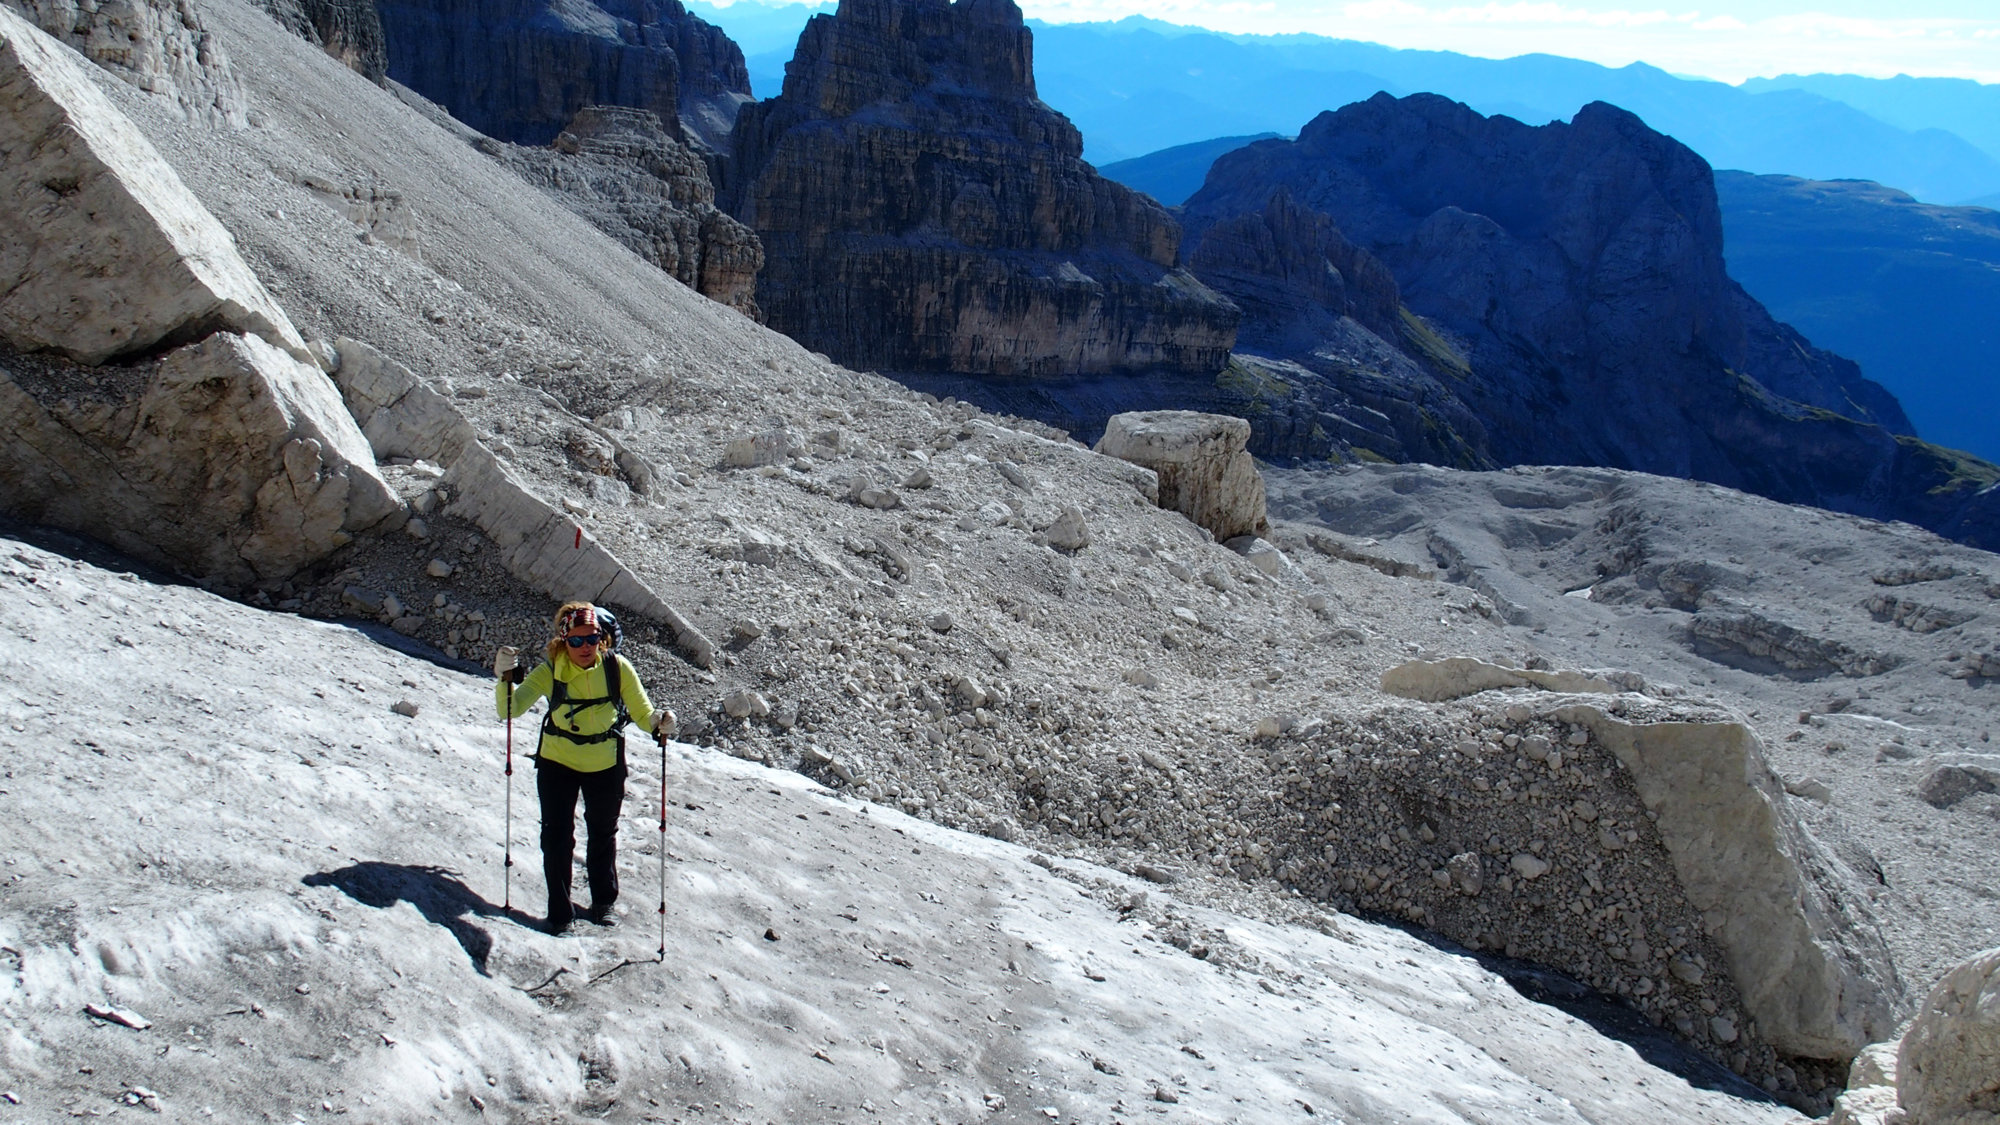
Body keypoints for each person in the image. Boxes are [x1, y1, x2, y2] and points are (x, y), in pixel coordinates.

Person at [495, 602, 675, 934]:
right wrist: (504, 679)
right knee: (557, 838)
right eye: (576, 641)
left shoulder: (617, 668)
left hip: (604, 764)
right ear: (563, 640)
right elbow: (511, 710)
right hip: (557, 763)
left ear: (601, 639)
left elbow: (642, 713)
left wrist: (659, 723)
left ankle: (603, 902)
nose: (585, 648)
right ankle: (560, 915)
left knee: (603, 835)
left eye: (591, 639)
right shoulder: (550, 670)